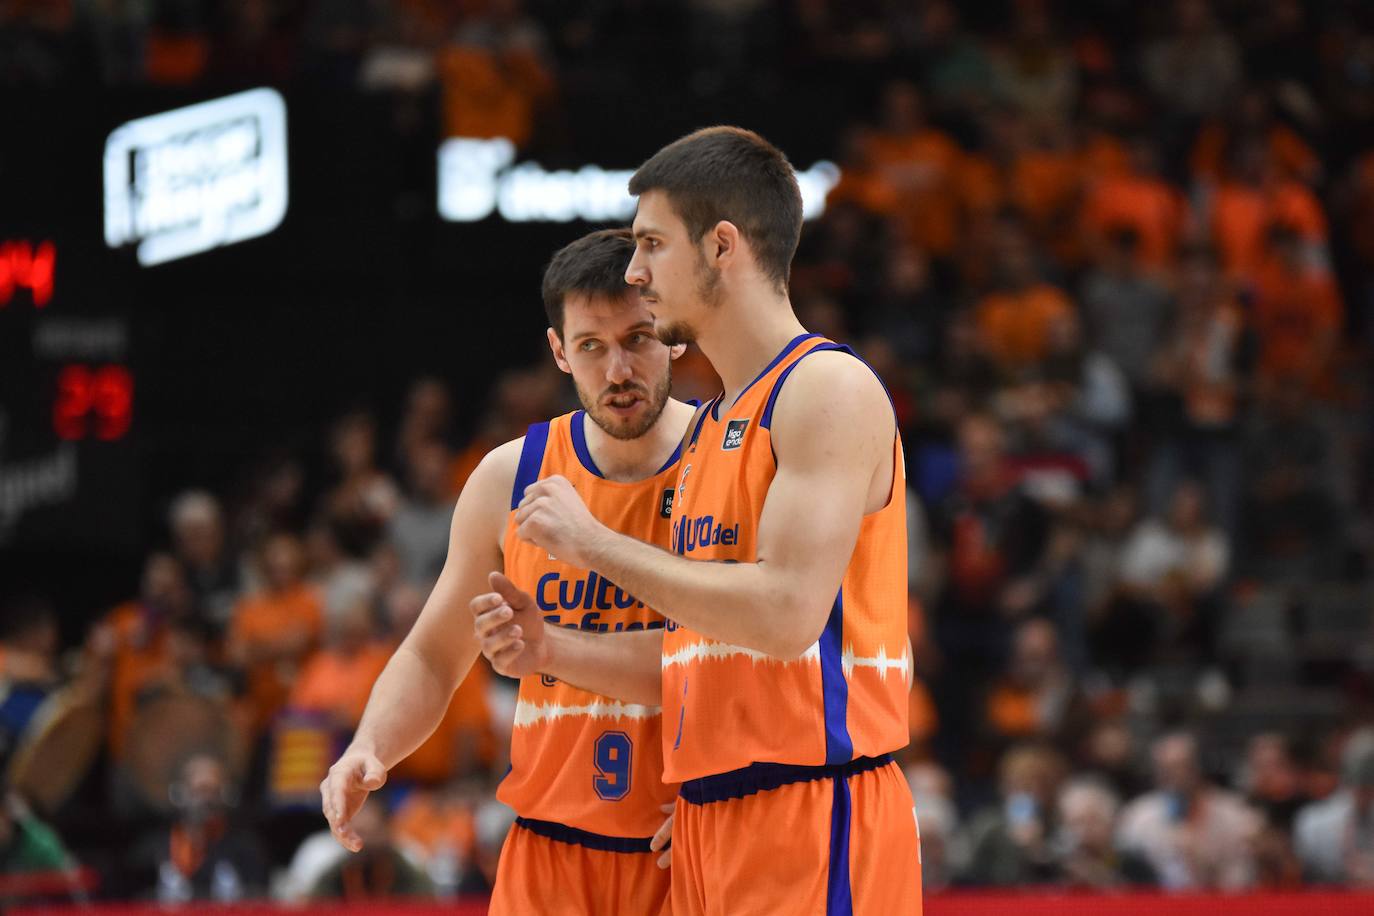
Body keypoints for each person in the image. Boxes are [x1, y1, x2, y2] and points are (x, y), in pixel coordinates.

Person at [474, 126, 920, 914]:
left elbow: (785, 615)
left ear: (721, 246)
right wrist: (550, 648)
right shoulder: (715, 426)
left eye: (652, 244)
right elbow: (697, 650)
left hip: (812, 812)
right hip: (707, 822)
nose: (637, 272)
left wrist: (593, 545)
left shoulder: (826, 388)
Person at [321, 228, 694, 915]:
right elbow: (435, 655)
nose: (617, 371)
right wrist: (367, 746)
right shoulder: (508, 476)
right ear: (558, 352)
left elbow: (749, 664)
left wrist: (728, 794)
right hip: (546, 857)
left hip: (685, 848)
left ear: (673, 332)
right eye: (590, 346)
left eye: (638, 339)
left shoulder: (726, 462)